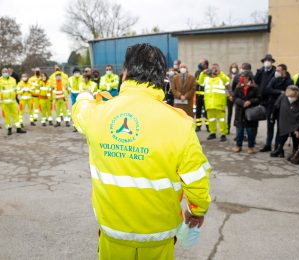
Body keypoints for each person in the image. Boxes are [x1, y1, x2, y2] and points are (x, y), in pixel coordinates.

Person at [72, 43, 211, 260]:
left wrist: (84, 95)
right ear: (162, 78)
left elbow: (80, 111)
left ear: (125, 73)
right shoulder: (180, 124)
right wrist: (197, 211)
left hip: (112, 232)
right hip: (159, 236)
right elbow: (197, 180)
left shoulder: (98, 113)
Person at [260, 64, 294, 152]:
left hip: (282, 107)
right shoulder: (274, 78)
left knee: (280, 128)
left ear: (284, 71)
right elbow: (267, 89)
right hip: (271, 106)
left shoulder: (289, 81)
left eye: (278, 70)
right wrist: (279, 92)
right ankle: (268, 145)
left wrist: (276, 92)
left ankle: (277, 147)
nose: (276, 72)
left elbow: (288, 93)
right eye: (276, 70)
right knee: (270, 127)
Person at [271, 86, 299, 158]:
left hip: (296, 121)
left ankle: (295, 151)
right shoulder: (283, 95)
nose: (290, 98)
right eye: (289, 96)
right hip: (285, 118)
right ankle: (280, 149)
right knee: (282, 133)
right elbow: (276, 106)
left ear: (296, 94)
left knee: (295, 135)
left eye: (292, 96)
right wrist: (273, 117)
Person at [198, 64, 230, 142]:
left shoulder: (222, 77)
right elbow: (200, 82)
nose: (214, 70)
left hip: (220, 104)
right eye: (212, 69)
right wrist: (203, 73)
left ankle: (223, 134)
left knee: (222, 120)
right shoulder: (206, 78)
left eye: (216, 69)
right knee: (211, 119)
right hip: (209, 104)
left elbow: (227, 82)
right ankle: (213, 133)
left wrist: (220, 73)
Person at [232, 71, 259, 154]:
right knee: (239, 130)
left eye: (244, 77)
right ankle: (238, 146)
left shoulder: (255, 87)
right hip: (240, 112)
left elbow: (258, 98)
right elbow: (235, 98)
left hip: (251, 113)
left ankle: (250, 147)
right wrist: (242, 103)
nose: (242, 78)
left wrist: (250, 101)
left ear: (249, 78)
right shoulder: (238, 87)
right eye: (241, 77)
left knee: (250, 130)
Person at [0, 68, 26, 135]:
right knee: (7, 116)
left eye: (6, 72)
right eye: (4, 72)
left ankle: (18, 128)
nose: (5, 73)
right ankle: (9, 129)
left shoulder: (13, 80)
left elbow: (16, 89)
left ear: (8, 72)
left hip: (13, 101)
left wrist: (20, 93)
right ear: (1, 73)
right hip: (4, 102)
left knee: (16, 115)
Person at [194, 58, 209, 132]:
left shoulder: (208, 72)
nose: (200, 64)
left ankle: (208, 126)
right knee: (198, 111)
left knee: (206, 112)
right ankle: (198, 126)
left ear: (206, 65)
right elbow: (195, 81)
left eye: (201, 63)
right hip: (198, 95)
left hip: (206, 95)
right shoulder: (197, 72)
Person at [227, 63, 239, 134]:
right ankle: (228, 128)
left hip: (236, 96)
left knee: (237, 113)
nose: (233, 69)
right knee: (229, 113)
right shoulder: (228, 76)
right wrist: (229, 95)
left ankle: (237, 129)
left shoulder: (239, 76)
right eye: (232, 67)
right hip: (229, 96)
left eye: (235, 67)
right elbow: (226, 86)